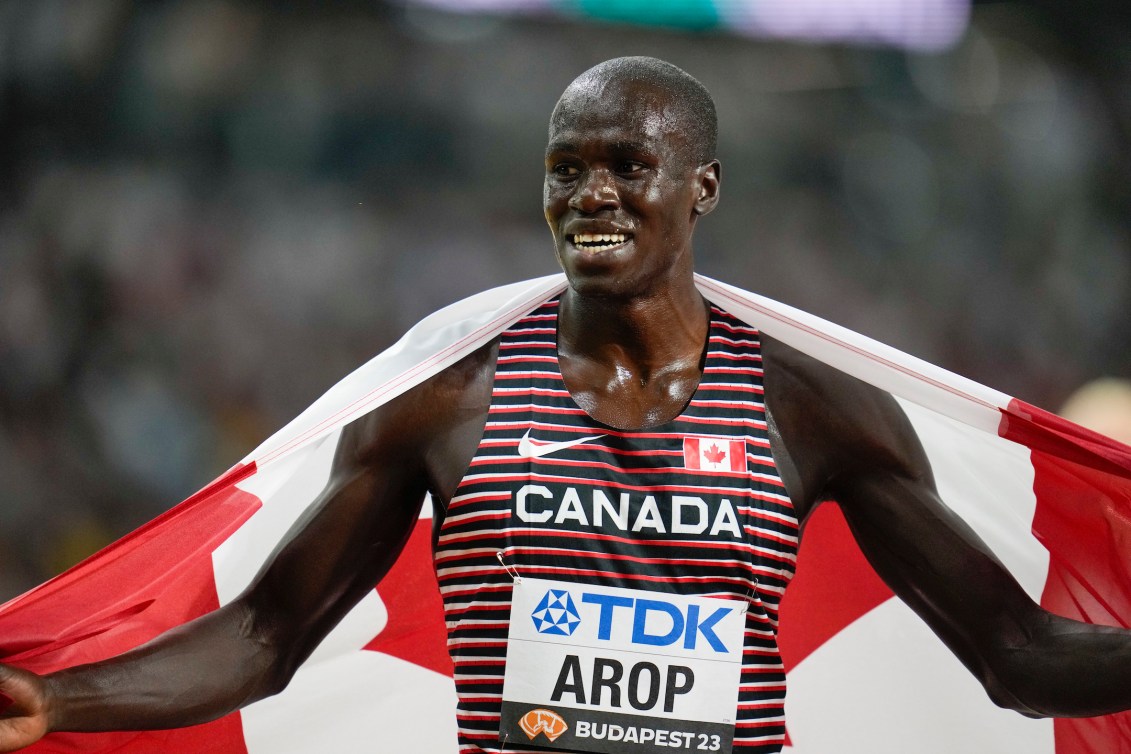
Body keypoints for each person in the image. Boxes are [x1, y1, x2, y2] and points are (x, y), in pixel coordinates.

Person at [2, 56, 1131, 754]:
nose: (590, 192)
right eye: (565, 167)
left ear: (704, 187)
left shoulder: (812, 411)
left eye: (628, 165)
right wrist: (59, 699)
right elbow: (263, 633)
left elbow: (1016, 650)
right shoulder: (441, 405)